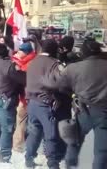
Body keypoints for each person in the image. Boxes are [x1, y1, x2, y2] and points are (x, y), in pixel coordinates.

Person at [44, 40, 107, 169]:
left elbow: (60, 87)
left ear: (83, 53)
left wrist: (73, 95)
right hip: (104, 111)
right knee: (102, 149)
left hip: (82, 110)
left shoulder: (73, 68)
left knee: (74, 142)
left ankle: (70, 165)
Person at [24, 39, 65, 169]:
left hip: (31, 103)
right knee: (50, 134)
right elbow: (60, 83)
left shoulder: (32, 61)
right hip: (45, 103)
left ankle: (29, 159)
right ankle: (53, 163)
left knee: (34, 132)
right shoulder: (54, 64)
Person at [11, 42, 36, 153]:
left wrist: (16, 68)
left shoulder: (29, 64)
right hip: (23, 95)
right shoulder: (22, 61)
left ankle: (18, 146)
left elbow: (23, 79)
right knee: (23, 121)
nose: (18, 52)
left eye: (21, 51)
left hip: (26, 97)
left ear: (26, 53)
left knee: (21, 121)